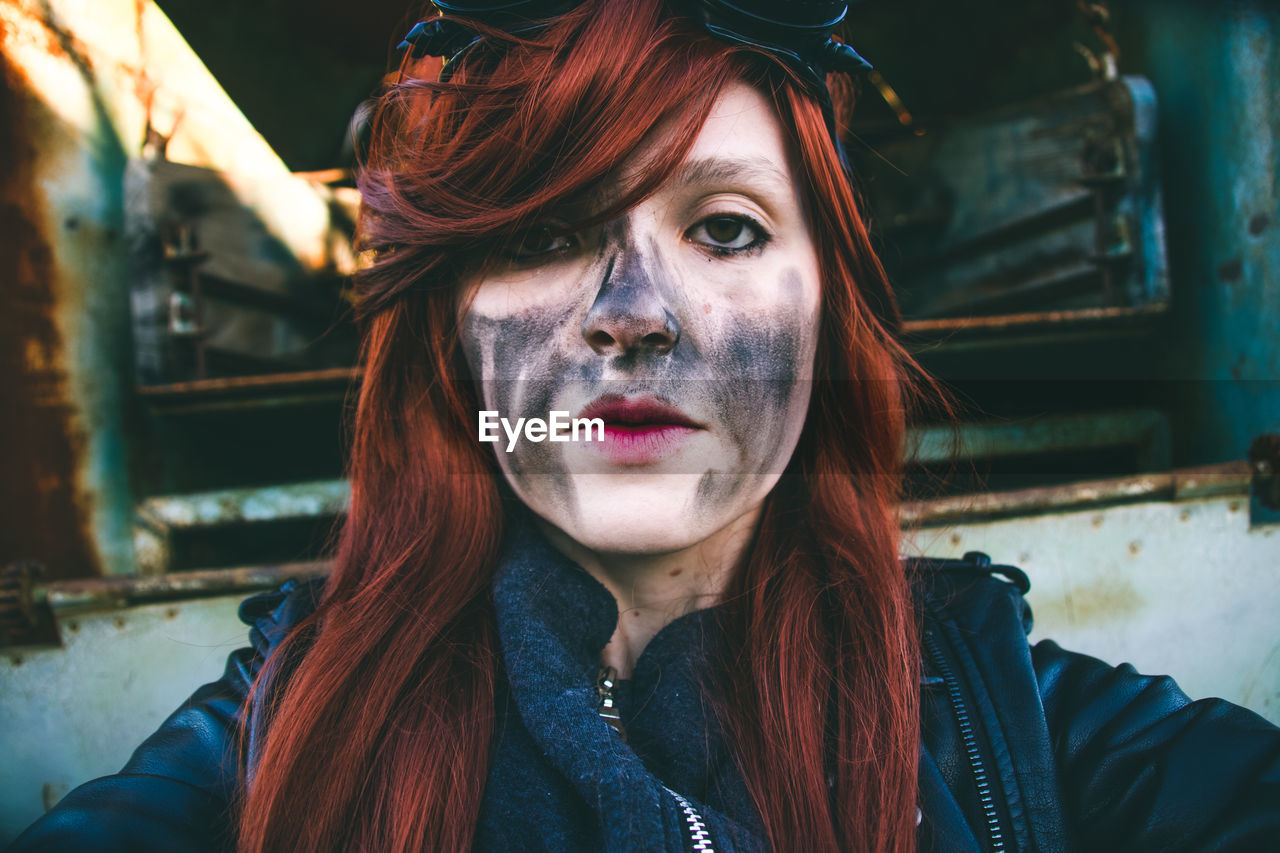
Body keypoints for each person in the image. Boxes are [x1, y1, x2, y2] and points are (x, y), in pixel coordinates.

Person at [9, 1, 1280, 851]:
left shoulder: (1007, 712)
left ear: (827, 319)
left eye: (724, 227)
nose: (630, 317)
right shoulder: (287, 712)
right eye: (544, 236)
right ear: (450, 334)